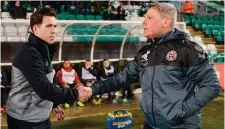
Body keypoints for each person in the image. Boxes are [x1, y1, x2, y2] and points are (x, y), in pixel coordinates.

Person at [79, 3, 221, 129]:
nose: (143, 22)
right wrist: (93, 89)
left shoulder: (187, 49)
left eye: (149, 18)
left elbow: (212, 85)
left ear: (166, 21)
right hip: (151, 124)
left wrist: (182, 110)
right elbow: (121, 79)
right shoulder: (144, 53)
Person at [6, 8, 89, 129]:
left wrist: (54, 103)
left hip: (41, 117)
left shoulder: (44, 51)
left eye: (55, 26)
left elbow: (50, 79)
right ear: (36, 29)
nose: (54, 30)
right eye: (49, 26)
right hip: (24, 120)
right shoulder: (28, 53)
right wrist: (76, 94)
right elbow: (43, 88)